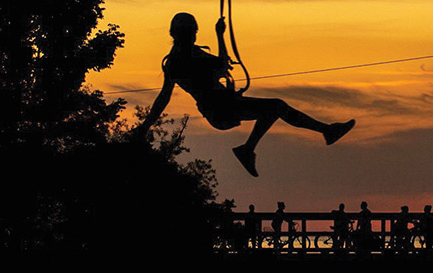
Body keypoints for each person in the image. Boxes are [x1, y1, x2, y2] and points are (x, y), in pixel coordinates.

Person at [136, 12, 356, 177]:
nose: (193, 36)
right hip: (222, 108)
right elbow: (221, 64)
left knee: (275, 107)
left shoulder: (174, 61)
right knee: (276, 107)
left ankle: (325, 131)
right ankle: (250, 148)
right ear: (184, 34)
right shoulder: (185, 59)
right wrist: (220, 35)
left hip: (222, 106)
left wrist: (145, 126)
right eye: (192, 32)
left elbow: (163, 98)